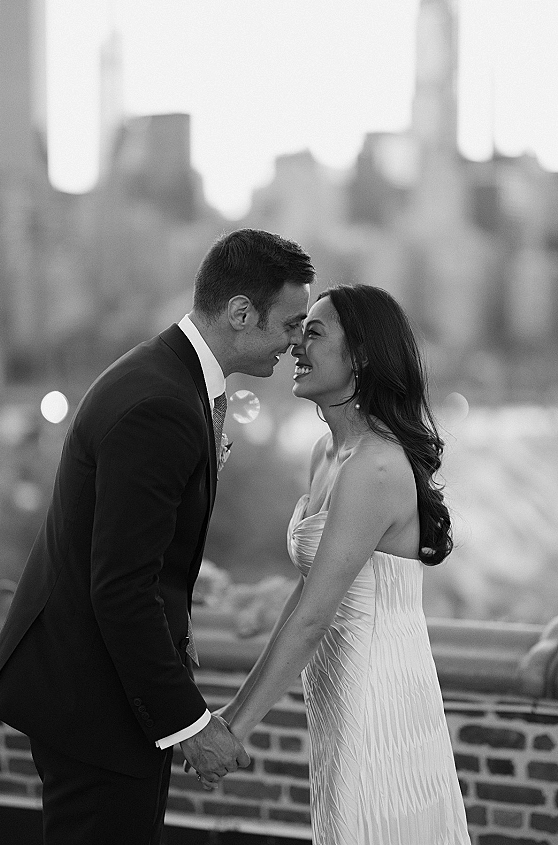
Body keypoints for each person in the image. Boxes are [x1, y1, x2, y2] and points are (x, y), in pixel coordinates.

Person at [0, 228, 314, 845]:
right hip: (93, 705)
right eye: (291, 324)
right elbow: (121, 588)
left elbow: (149, 555)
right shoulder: (161, 403)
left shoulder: (169, 378)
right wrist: (191, 724)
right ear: (241, 313)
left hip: (104, 695)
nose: (296, 344)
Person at [216, 285, 471, 844]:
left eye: (314, 333)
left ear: (360, 357)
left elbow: (313, 620)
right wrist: (228, 715)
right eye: (298, 331)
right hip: (334, 698)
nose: (295, 347)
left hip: (379, 700)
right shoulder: (325, 455)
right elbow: (305, 595)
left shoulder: (376, 468)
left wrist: (234, 728)